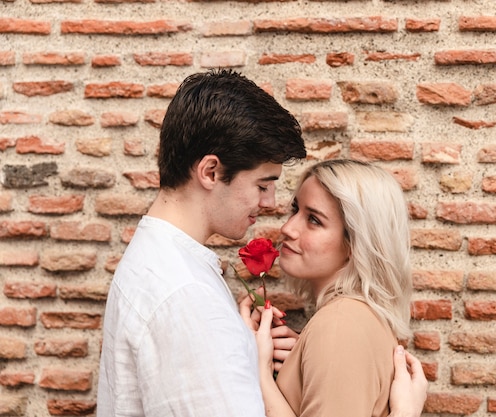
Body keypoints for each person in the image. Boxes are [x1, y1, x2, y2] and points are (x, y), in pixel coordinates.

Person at [96, 69, 426, 417]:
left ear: (356, 241)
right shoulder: (185, 295)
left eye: (313, 219)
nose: (275, 213)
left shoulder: (161, 270)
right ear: (210, 172)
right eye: (262, 185)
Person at [243, 159, 428, 417]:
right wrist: (305, 361)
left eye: (314, 220)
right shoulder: (350, 320)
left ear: (355, 244)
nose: (287, 228)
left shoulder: (342, 323)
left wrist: (259, 371)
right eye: (295, 209)